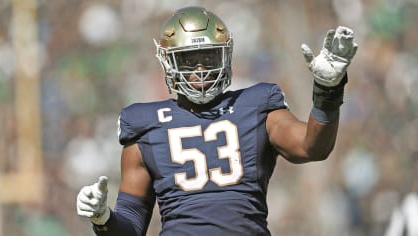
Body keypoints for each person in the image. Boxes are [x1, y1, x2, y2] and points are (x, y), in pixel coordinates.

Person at [76, 6, 358, 236]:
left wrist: (327, 91)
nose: (200, 69)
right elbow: (131, 225)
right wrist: (103, 218)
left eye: (208, 57)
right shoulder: (146, 124)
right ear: (168, 62)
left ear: (226, 55)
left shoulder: (256, 104)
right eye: (189, 60)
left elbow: (312, 147)